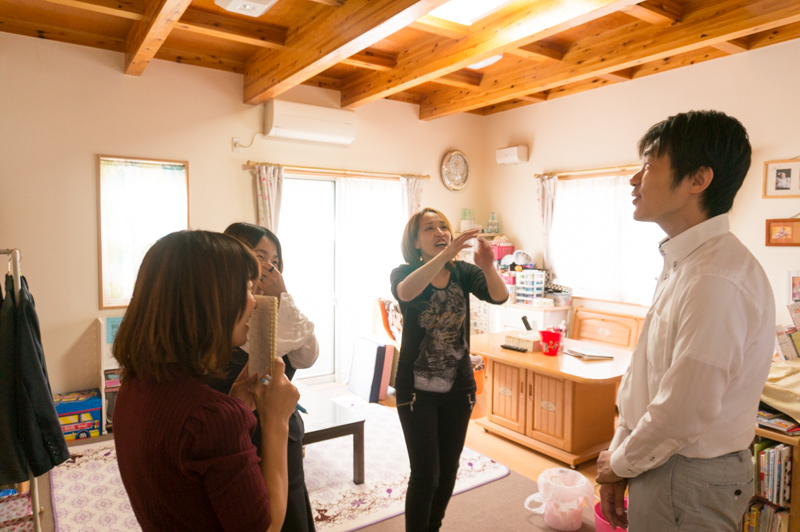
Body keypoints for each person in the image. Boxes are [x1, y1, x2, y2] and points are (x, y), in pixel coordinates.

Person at [596, 111, 775, 531]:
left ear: (698, 179)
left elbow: (683, 409)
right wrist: (621, 453)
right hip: (661, 460)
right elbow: (649, 379)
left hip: (688, 476)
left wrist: (619, 463)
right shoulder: (686, 261)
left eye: (648, 166)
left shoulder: (716, 278)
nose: (634, 180)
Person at [112, 230, 300, 532]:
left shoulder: (135, 383)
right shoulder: (212, 417)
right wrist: (277, 421)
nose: (254, 302)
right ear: (210, 302)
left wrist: (235, 402)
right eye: (247, 289)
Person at [390, 208, 508, 532]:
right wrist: (447, 255)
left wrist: (489, 267)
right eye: (429, 228)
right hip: (416, 390)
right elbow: (406, 293)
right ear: (415, 242)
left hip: (460, 389)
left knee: (447, 471)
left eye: (443, 226)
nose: (440, 231)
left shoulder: (463, 273)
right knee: (426, 473)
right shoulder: (403, 272)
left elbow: (500, 296)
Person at [212, 222, 318, 532]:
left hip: (283, 426)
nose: (269, 268)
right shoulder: (224, 316)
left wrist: (284, 298)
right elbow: (260, 356)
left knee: (292, 499)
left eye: (275, 260)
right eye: (259, 257)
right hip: (240, 432)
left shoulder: (281, 309)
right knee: (256, 511)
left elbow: (308, 356)